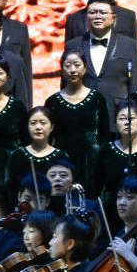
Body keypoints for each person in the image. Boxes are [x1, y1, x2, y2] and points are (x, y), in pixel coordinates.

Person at [60, 0, 137, 124]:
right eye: (93, 12)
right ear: (86, 17)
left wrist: (133, 115)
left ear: (113, 18)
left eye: (103, 13)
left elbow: (135, 83)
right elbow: (66, 84)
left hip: (117, 116)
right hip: (82, 117)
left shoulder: (128, 44)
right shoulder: (73, 45)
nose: (98, 16)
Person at [45, 49, 110, 184]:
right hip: (63, 163)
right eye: (68, 66)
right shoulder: (52, 102)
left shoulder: (97, 99)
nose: (73, 70)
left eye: (77, 65)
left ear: (85, 68)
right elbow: (49, 140)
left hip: (92, 163)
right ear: (62, 70)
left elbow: (104, 135)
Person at [91, 101, 137, 207]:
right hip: (112, 208)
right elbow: (95, 188)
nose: (127, 122)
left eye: (131, 118)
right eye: (122, 118)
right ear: (115, 123)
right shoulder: (106, 150)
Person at [5, 107, 67, 197]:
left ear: (52, 127)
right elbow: (10, 188)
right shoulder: (18, 155)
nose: (38, 127)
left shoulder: (61, 155)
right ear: (27, 126)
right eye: (33, 123)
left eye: (43, 123)